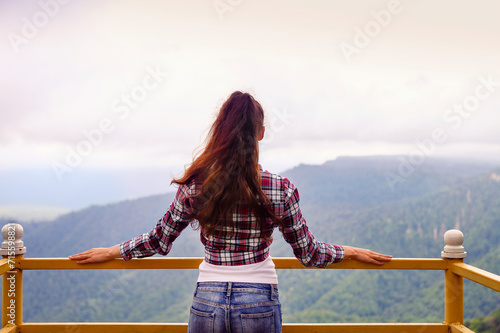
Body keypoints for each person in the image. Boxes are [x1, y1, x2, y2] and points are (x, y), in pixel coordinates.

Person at [69, 91, 392, 333]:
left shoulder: (196, 185)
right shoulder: (279, 188)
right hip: (258, 300)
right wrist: (349, 251)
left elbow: (158, 241)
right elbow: (309, 254)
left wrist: (112, 251)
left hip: (207, 300)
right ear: (261, 132)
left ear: (219, 130)